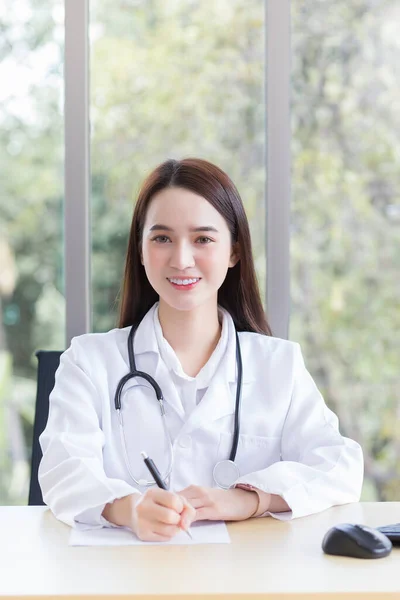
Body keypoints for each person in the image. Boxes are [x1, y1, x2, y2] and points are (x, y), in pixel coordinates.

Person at [39, 158, 364, 542]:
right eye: (162, 238)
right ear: (141, 251)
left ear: (234, 252)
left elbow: (339, 464)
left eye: (203, 239)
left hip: (243, 580)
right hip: (126, 578)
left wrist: (248, 500)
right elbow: (63, 467)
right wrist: (128, 509)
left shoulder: (279, 364)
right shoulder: (88, 361)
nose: (181, 259)